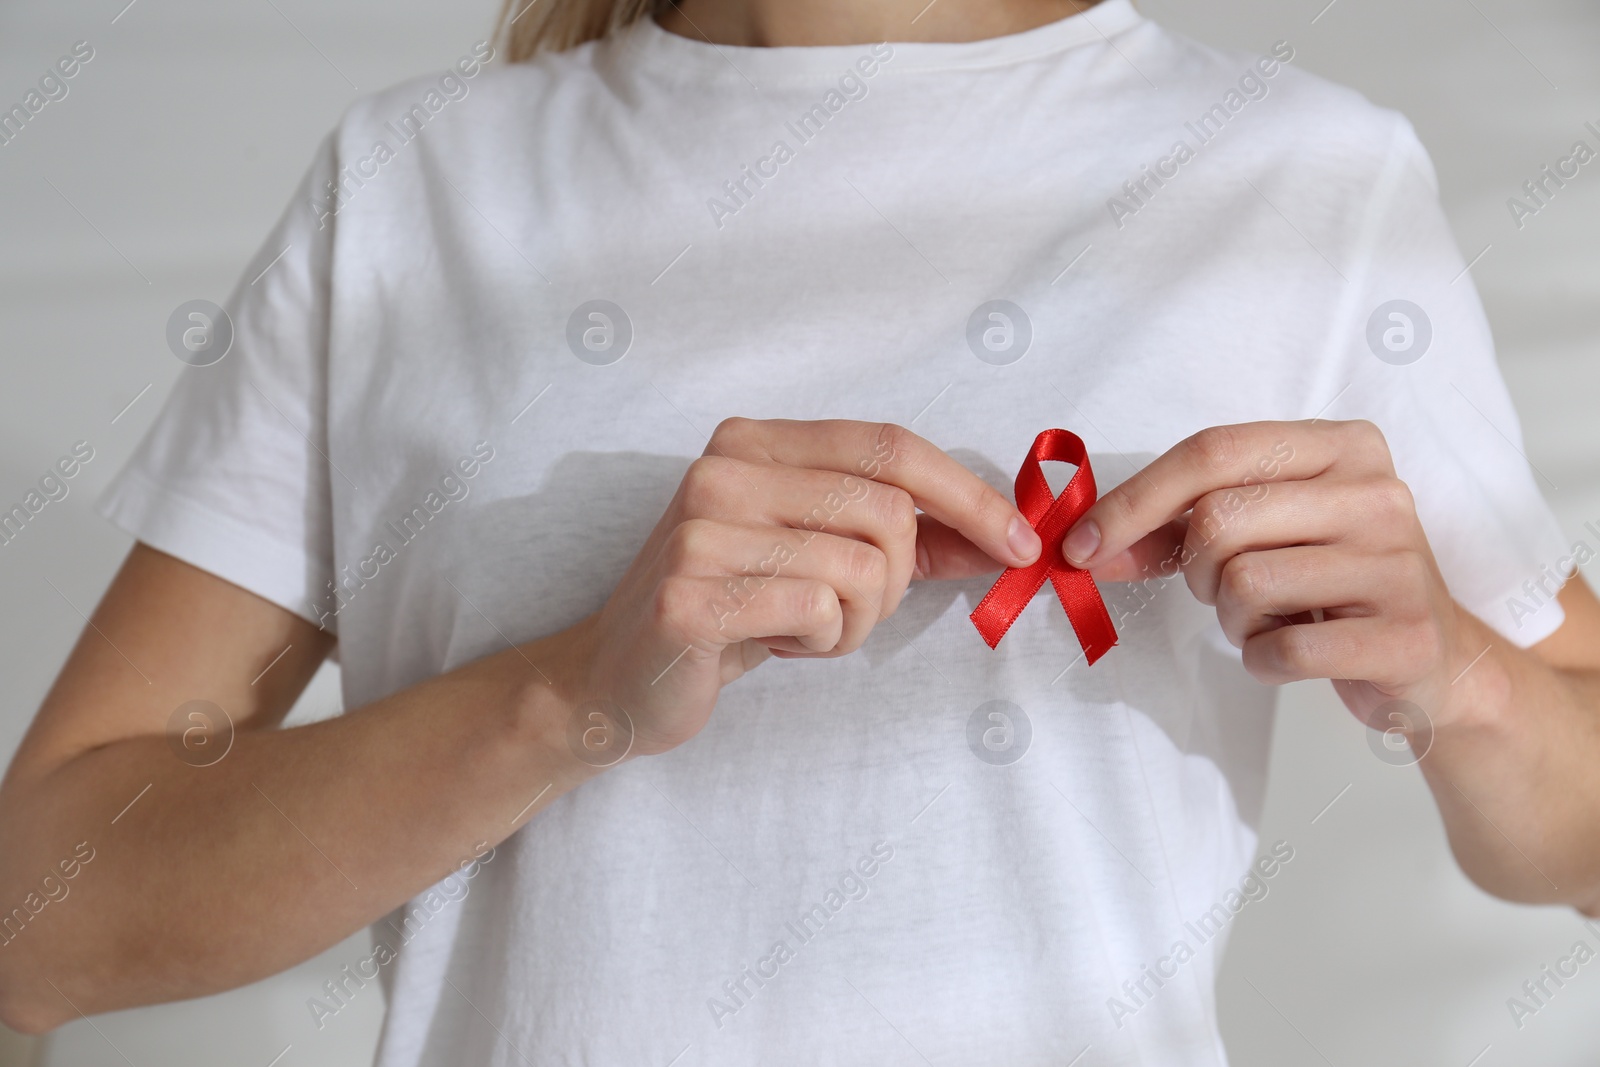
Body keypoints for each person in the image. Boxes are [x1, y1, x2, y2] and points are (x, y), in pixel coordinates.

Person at [2, 0, 1597, 1062]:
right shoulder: (414, 187)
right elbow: (35, 920)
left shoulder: (1301, 177)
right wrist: (567, 703)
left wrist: (1458, 674)